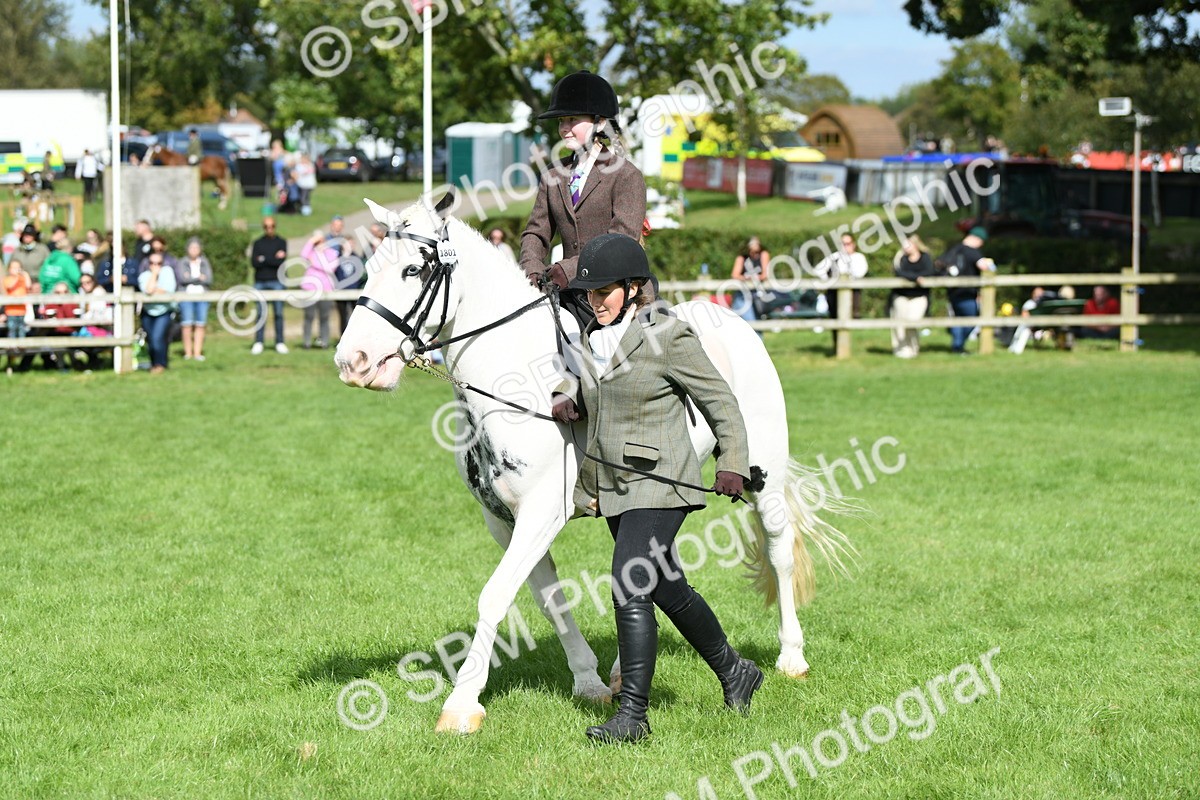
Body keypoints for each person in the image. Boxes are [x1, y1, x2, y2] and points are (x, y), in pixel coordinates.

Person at [550, 233, 763, 744]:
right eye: (589, 293)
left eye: (604, 292)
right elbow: (582, 379)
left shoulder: (668, 334)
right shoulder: (592, 337)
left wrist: (733, 462)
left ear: (633, 287)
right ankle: (735, 671)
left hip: (662, 481)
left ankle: (632, 716)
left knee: (629, 582)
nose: (595, 301)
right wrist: (566, 395)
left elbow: (721, 401)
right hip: (616, 485)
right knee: (666, 586)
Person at [520, 70, 648, 329]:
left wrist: (567, 269)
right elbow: (536, 232)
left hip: (616, 297)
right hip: (567, 295)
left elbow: (619, 242)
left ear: (600, 123)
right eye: (561, 121)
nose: (564, 128)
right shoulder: (553, 174)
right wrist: (532, 269)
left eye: (573, 120)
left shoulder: (626, 175)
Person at [935, 226, 996, 354]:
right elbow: (984, 266)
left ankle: (957, 348)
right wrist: (991, 266)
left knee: (958, 319)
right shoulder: (973, 252)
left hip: (952, 291)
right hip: (967, 292)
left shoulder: (954, 249)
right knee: (971, 320)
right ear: (977, 239)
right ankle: (958, 345)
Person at [889, 235, 935, 358]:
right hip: (901, 295)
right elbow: (899, 272)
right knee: (899, 323)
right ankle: (900, 350)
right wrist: (916, 278)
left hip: (919, 296)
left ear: (915, 245)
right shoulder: (901, 257)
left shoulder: (925, 257)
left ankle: (913, 349)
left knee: (912, 322)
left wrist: (913, 277)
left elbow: (929, 272)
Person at [250, 217, 288, 354]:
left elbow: (280, 263)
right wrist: (272, 258)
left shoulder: (281, 242)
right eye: (266, 226)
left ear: (275, 226)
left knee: (278, 313)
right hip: (260, 282)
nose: (269, 229)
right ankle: (259, 342)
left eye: (271, 226)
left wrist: (264, 259)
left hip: (277, 282)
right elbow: (254, 263)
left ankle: (280, 342)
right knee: (261, 313)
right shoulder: (258, 243)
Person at [137, 253, 176, 373]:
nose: (155, 266)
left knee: (157, 338)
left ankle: (160, 364)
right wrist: (154, 275)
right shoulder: (144, 275)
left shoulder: (168, 272)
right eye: (152, 263)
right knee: (151, 340)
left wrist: (154, 290)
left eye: (158, 263)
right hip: (148, 312)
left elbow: (169, 290)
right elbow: (148, 290)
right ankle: (154, 364)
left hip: (164, 311)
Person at [300, 228, 338, 349]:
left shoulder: (331, 253)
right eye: (316, 241)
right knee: (309, 316)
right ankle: (306, 343)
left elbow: (330, 268)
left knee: (324, 317)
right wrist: (311, 241)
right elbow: (303, 255)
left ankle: (324, 342)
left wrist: (315, 264)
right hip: (310, 289)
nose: (319, 243)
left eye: (320, 240)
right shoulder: (311, 252)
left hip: (325, 290)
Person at [177, 237, 214, 360]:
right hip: (186, 296)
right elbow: (182, 279)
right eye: (192, 247)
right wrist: (198, 278)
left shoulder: (204, 262)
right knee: (186, 324)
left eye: (196, 247)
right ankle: (188, 353)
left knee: (200, 324)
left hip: (202, 296)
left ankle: (197, 353)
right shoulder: (183, 262)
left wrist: (191, 278)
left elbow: (209, 279)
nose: (194, 250)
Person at [328, 215, 358, 336]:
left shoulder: (356, 257)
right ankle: (343, 337)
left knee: (355, 316)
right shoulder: (338, 257)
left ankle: (355, 337)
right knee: (342, 316)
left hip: (354, 290)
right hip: (341, 290)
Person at [730, 236, 771, 322]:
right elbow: (734, 275)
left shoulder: (763, 254)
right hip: (743, 294)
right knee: (738, 320)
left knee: (752, 322)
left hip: (758, 294)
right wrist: (746, 278)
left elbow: (765, 275)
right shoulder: (742, 257)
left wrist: (752, 278)